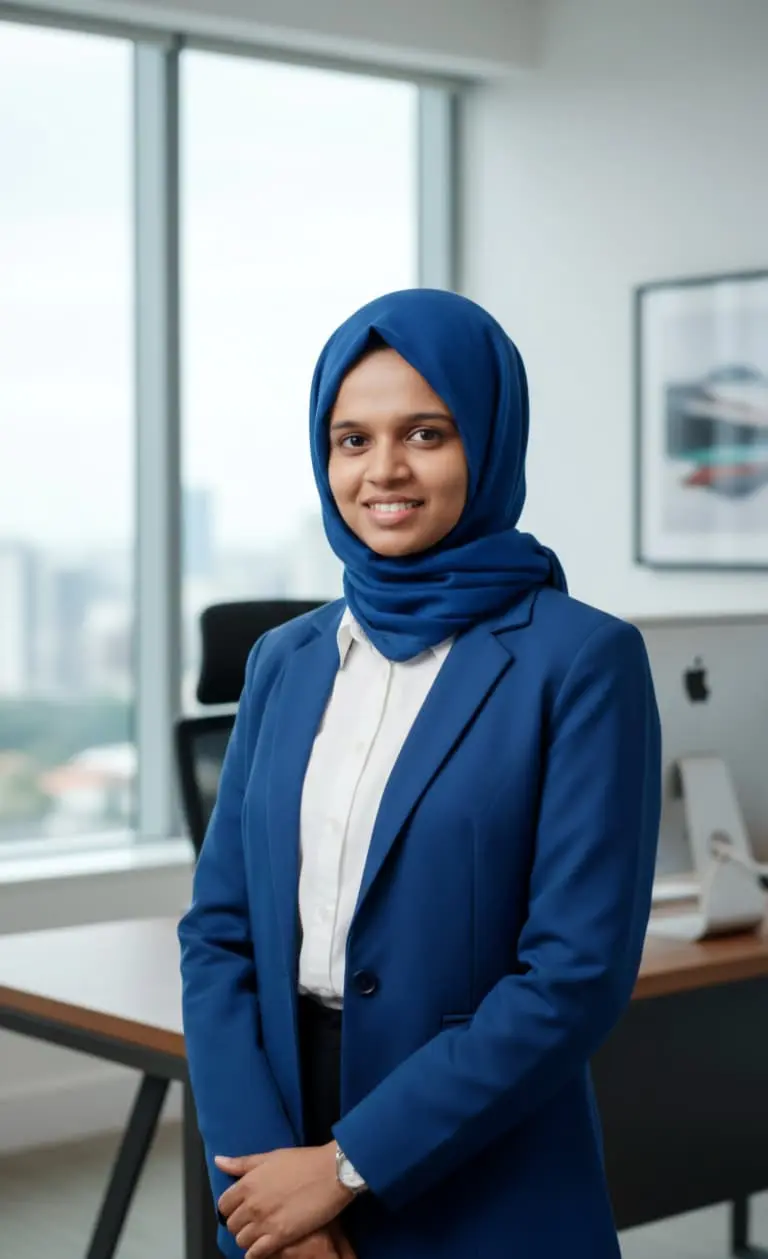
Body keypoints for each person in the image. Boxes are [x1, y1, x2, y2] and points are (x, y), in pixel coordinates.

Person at [178, 288, 662, 1259]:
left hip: (478, 1162)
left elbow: (573, 972)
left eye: (426, 432)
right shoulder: (286, 657)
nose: (383, 470)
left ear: (486, 440)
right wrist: (266, 1179)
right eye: (351, 439)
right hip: (274, 1156)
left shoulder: (581, 660)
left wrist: (343, 1166)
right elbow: (219, 934)